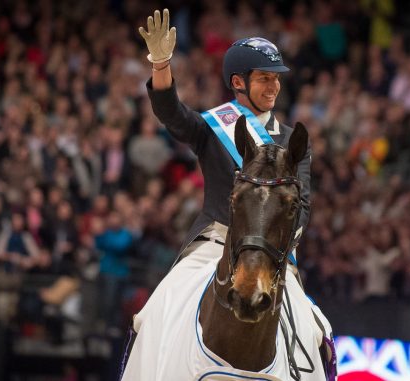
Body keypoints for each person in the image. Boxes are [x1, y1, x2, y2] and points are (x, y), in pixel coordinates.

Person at [121, 9, 334, 380]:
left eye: (276, 80)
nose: (273, 87)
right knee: (152, 312)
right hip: (215, 241)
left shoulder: (290, 140)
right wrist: (160, 66)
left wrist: (282, 242)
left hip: (272, 250)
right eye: (264, 79)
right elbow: (173, 114)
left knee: (319, 331)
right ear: (239, 82)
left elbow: (301, 204)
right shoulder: (213, 126)